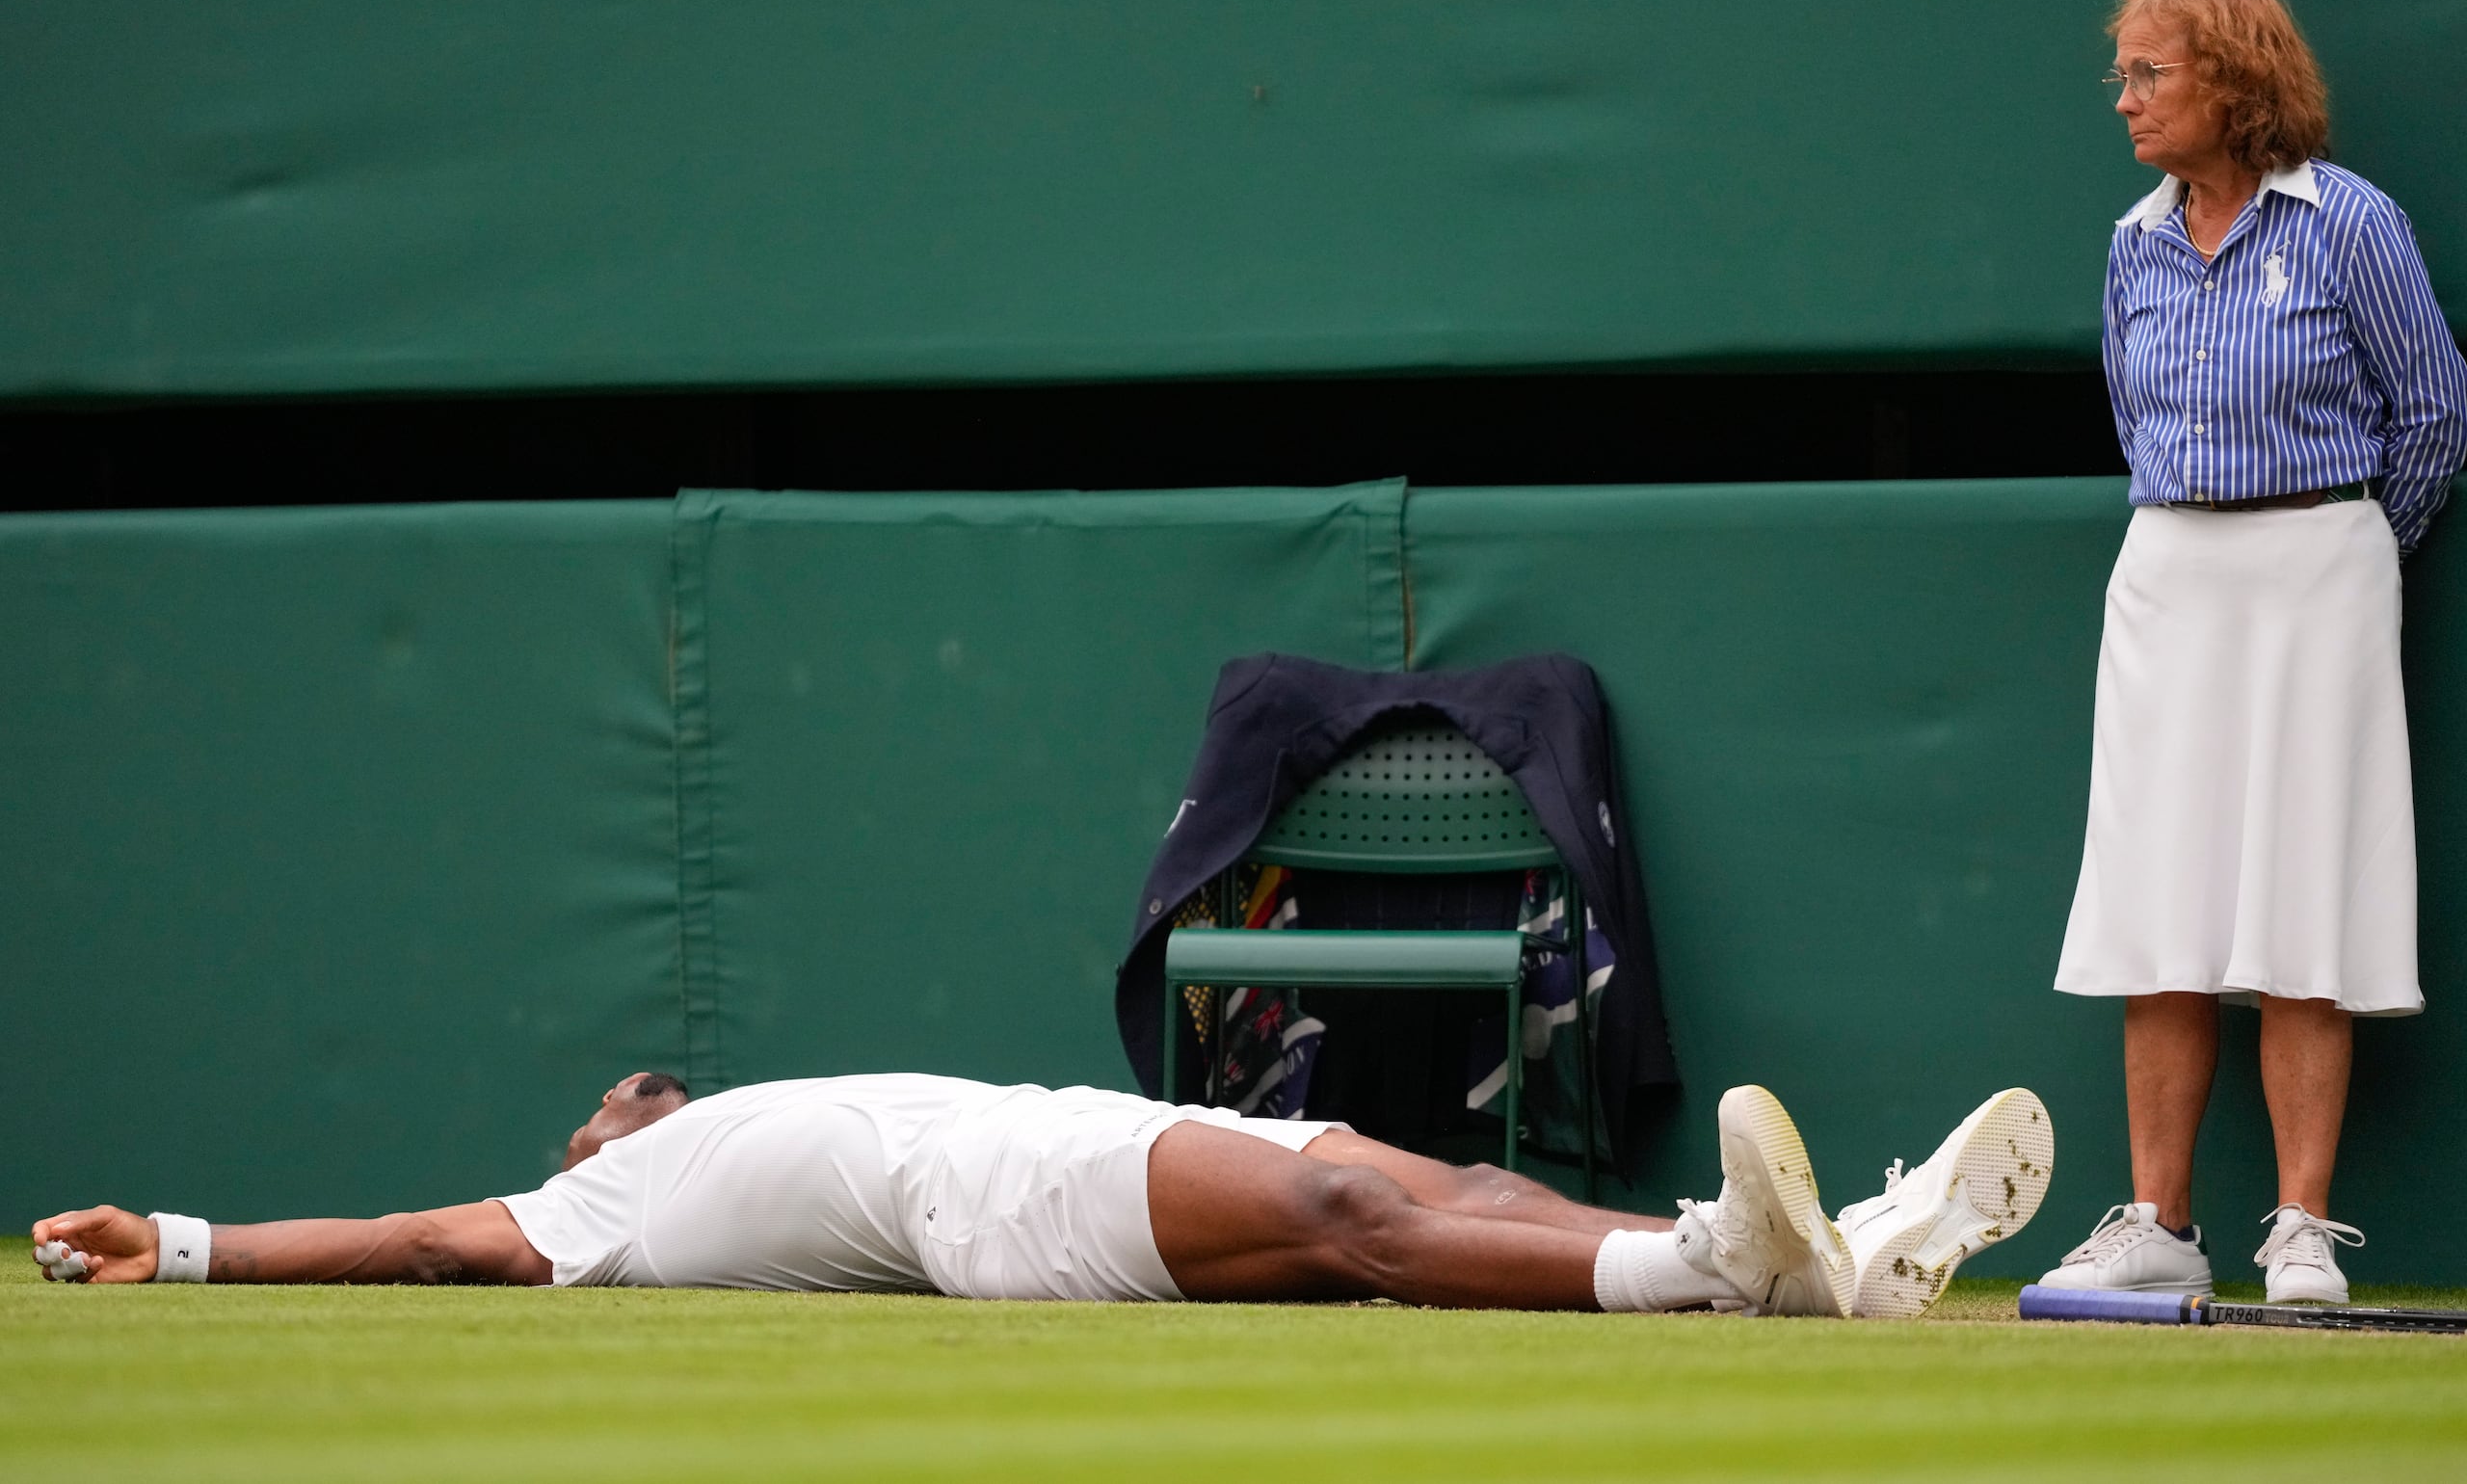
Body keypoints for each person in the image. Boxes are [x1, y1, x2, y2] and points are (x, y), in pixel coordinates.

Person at [2046, 0, 2467, 1304]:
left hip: (2323, 570)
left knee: (2301, 892)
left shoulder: (2350, 223)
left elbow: (2434, 415)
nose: (2125, 100)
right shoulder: (2134, 241)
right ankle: (2161, 1224)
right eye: (2120, 76)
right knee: (2159, 891)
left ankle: (2299, 1228)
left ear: (2233, 80)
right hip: (2169, 571)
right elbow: (2135, 420)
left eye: (2149, 74)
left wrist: (2342, 559)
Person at [32, 1072, 2052, 1321]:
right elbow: (413, 1239)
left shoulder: (723, 1104)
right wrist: (187, 1238)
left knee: (1394, 1168)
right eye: (604, 1102)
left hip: (1046, 1125)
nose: (629, 1093)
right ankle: (1710, 1265)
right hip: (996, 1208)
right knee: (1353, 1211)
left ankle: (1825, 1266)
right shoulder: (593, 1207)